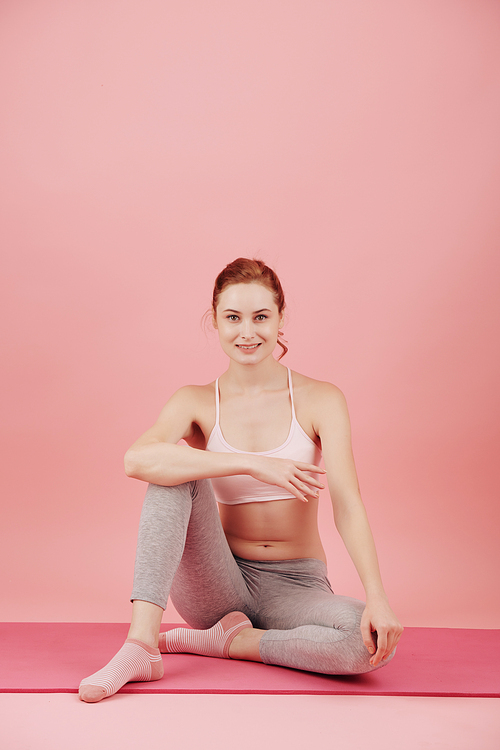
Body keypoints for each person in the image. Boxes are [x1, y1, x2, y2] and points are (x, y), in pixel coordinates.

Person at [79, 257, 403, 702]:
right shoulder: (194, 400)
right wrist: (250, 463)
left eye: (261, 317)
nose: (247, 332)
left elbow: (348, 505)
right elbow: (136, 460)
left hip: (298, 585)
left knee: (366, 646)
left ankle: (231, 642)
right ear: (214, 321)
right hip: (219, 584)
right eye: (232, 318)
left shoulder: (321, 399)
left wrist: (377, 596)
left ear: (281, 318)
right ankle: (142, 645)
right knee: (171, 470)